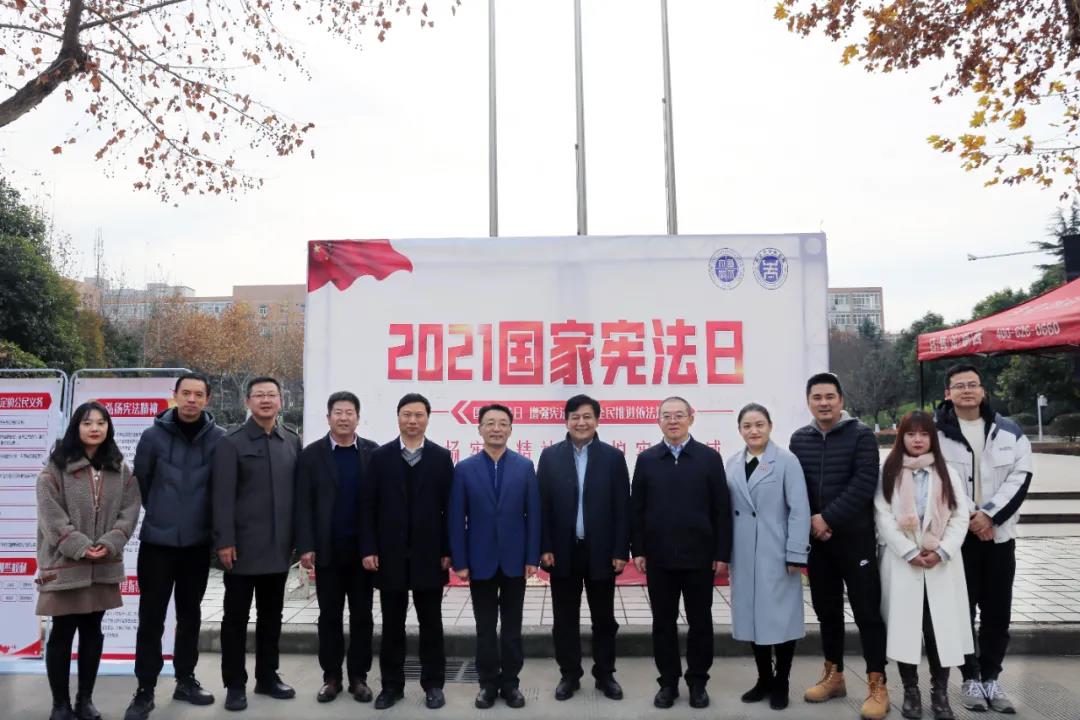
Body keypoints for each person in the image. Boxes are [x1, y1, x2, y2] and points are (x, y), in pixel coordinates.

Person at [789, 372, 890, 720]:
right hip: (818, 544)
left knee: (867, 613)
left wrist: (826, 518)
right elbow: (796, 487)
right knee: (827, 611)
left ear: (841, 400)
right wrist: (812, 523)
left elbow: (864, 482)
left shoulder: (861, 435)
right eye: (817, 397)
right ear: (808, 402)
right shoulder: (799, 439)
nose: (824, 403)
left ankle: (878, 683)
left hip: (855, 540)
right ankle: (834, 676)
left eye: (829, 396)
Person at [124, 373, 226, 720]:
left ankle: (185, 679)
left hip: (196, 544)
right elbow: (143, 482)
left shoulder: (219, 439)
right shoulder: (152, 436)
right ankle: (145, 688)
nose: (191, 400)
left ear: (207, 399)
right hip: (158, 543)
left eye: (198, 394)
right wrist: (165, 513)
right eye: (186, 393)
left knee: (190, 615)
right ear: (175, 395)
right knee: (151, 617)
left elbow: (220, 488)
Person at [935, 364, 1031, 714]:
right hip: (957, 539)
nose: (966, 390)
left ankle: (992, 676)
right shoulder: (935, 434)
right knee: (962, 610)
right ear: (948, 393)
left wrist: (989, 516)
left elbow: (1021, 477)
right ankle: (970, 677)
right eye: (959, 385)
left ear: (983, 390)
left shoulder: (1011, 433)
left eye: (972, 384)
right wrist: (972, 518)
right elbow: (938, 479)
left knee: (997, 612)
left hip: (999, 537)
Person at [36, 402, 141, 720]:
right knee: (61, 632)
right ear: (76, 428)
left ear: (109, 427)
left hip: (103, 564)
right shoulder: (55, 468)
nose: (95, 428)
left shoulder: (119, 468)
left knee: (93, 631)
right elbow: (50, 513)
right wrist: (79, 545)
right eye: (87, 422)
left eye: (101, 423)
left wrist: (110, 542)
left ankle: (85, 701)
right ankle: (60, 705)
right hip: (65, 563)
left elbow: (130, 510)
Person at [630, 396, 732, 710]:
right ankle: (668, 683)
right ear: (658, 420)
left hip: (700, 557)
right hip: (659, 558)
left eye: (679, 415)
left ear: (691, 418)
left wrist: (722, 553)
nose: (673, 421)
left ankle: (698, 682)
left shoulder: (708, 458)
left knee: (700, 622)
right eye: (666, 416)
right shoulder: (647, 459)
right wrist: (638, 549)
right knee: (663, 623)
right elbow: (637, 509)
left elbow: (721, 509)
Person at [212, 376, 302, 712]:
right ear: (248, 401)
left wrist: (299, 541)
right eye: (259, 395)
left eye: (272, 395)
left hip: (278, 548)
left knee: (271, 617)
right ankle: (235, 684)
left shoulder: (291, 440)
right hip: (241, 549)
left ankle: (267, 677)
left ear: (281, 400)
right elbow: (221, 497)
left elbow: (298, 496)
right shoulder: (231, 442)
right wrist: (224, 541)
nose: (266, 400)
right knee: (235, 618)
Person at [876, 411, 973, 720]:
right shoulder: (888, 471)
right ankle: (911, 692)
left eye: (923, 434)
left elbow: (960, 516)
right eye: (910, 434)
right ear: (901, 437)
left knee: (938, 631)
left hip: (940, 565)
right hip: (904, 564)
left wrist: (942, 550)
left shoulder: (946, 473)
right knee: (906, 630)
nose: (917, 440)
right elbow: (882, 515)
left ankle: (940, 693)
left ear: (932, 438)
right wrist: (908, 551)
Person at [361, 393, 455, 710]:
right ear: (398, 417)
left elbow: (450, 509)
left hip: (430, 554)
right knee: (391, 625)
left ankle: (434, 685)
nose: (412, 420)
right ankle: (391, 686)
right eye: (406, 414)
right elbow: (368, 506)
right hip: (389, 555)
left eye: (418, 415)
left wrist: (448, 550)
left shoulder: (441, 458)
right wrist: (369, 548)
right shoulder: (380, 457)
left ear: (428, 418)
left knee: (432, 624)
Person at [537, 395, 630, 702]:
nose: (581, 422)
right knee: (564, 618)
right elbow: (542, 506)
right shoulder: (550, 457)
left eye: (587, 416)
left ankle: (605, 674)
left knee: (604, 618)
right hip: (562, 551)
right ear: (566, 421)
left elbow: (622, 507)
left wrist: (621, 550)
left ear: (597, 420)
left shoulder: (613, 458)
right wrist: (544, 546)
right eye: (575, 417)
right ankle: (569, 674)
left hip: (602, 551)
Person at [449, 404, 541, 710]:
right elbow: (456, 518)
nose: (496, 428)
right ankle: (487, 684)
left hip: (515, 560)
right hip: (480, 561)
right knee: (485, 628)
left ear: (511, 429)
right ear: (479, 429)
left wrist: (532, 557)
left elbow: (534, 515)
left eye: (502, 423)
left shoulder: (524, 466)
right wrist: (460, 561)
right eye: (490, 423)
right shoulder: (465, 469)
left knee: (512, 628)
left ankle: (511, 683)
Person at [725, 403, 810, 711]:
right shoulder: (732, 463)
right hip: (743, 553)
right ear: (740, 430)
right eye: (747, 426)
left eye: (759, 424)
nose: (754, 431)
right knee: (752, 617)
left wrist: (796, 552)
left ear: (770, 426)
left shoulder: (786, 461)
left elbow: (799, 509)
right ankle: (764, 679)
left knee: (781, 618)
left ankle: (781, 681)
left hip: (777, 552)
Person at [294, 391, 378, 704]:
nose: (344, 418)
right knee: (329, 616)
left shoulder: (372, 452)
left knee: (362, 616)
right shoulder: (311, 455)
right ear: (328, 417)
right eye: (338, 412)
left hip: (362, 552)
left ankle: (359, 677)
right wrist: (305, 545)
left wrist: (375, 546)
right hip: (327, 550)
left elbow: (379, 505)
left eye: (349, 412)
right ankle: (331, 677)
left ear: (358, 417)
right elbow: (302, 504)